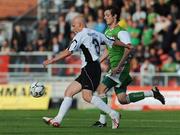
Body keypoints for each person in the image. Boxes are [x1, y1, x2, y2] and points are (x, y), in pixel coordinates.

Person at [42, 15, 132, 129]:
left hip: (90, 67)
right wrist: (126, 46)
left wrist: (51, 60)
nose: (72, 28)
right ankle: (58, 120)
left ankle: (114, 114)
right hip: (91, 68)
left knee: (87, 96)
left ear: (80, 24)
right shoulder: (95, 33)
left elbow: (68, 52)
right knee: (69, 91)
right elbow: (113, 41)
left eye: (74, 25)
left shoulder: (80, 35)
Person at [91, 6, 165, 127]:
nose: (105, 17)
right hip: (115, 67)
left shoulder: (122, 32)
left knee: (101, 90)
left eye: (107, 15)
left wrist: (119, 66)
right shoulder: (107, 31)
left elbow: (129, 48)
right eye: (104, 15)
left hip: (120, 67)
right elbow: (108, 50)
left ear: (115, 16)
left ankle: (102, 121)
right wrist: (98, 61)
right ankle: (152, 93)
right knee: (122, 99)